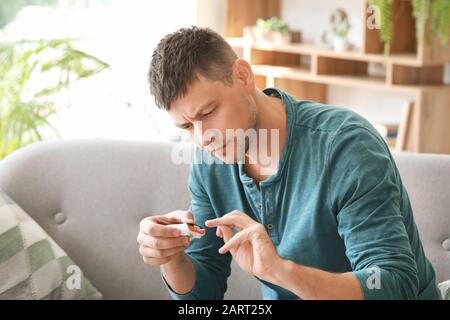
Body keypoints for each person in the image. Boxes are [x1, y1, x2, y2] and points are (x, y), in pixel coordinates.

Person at [137, 26, 440, 300]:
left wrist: (281, 272)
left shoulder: (344, 145)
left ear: (243, 76)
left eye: (208, 113)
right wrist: (172, 256)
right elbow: (204, 294)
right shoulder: (209, 164)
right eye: (187, 127)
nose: (203, 139)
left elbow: (393, 285)